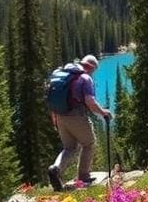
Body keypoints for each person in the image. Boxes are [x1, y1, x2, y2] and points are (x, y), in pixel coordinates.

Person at [47, 54, 112, 191]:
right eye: (94, 70)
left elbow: (52, 99)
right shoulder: (85, 78)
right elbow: (90, 101)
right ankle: (83, 176)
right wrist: (103, 112)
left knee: (69, 148)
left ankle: (56, 168)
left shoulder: (63, 74)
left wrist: (55, 119)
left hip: (60, 116)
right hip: (76, 116)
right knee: (89, 143)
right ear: (91, 67)